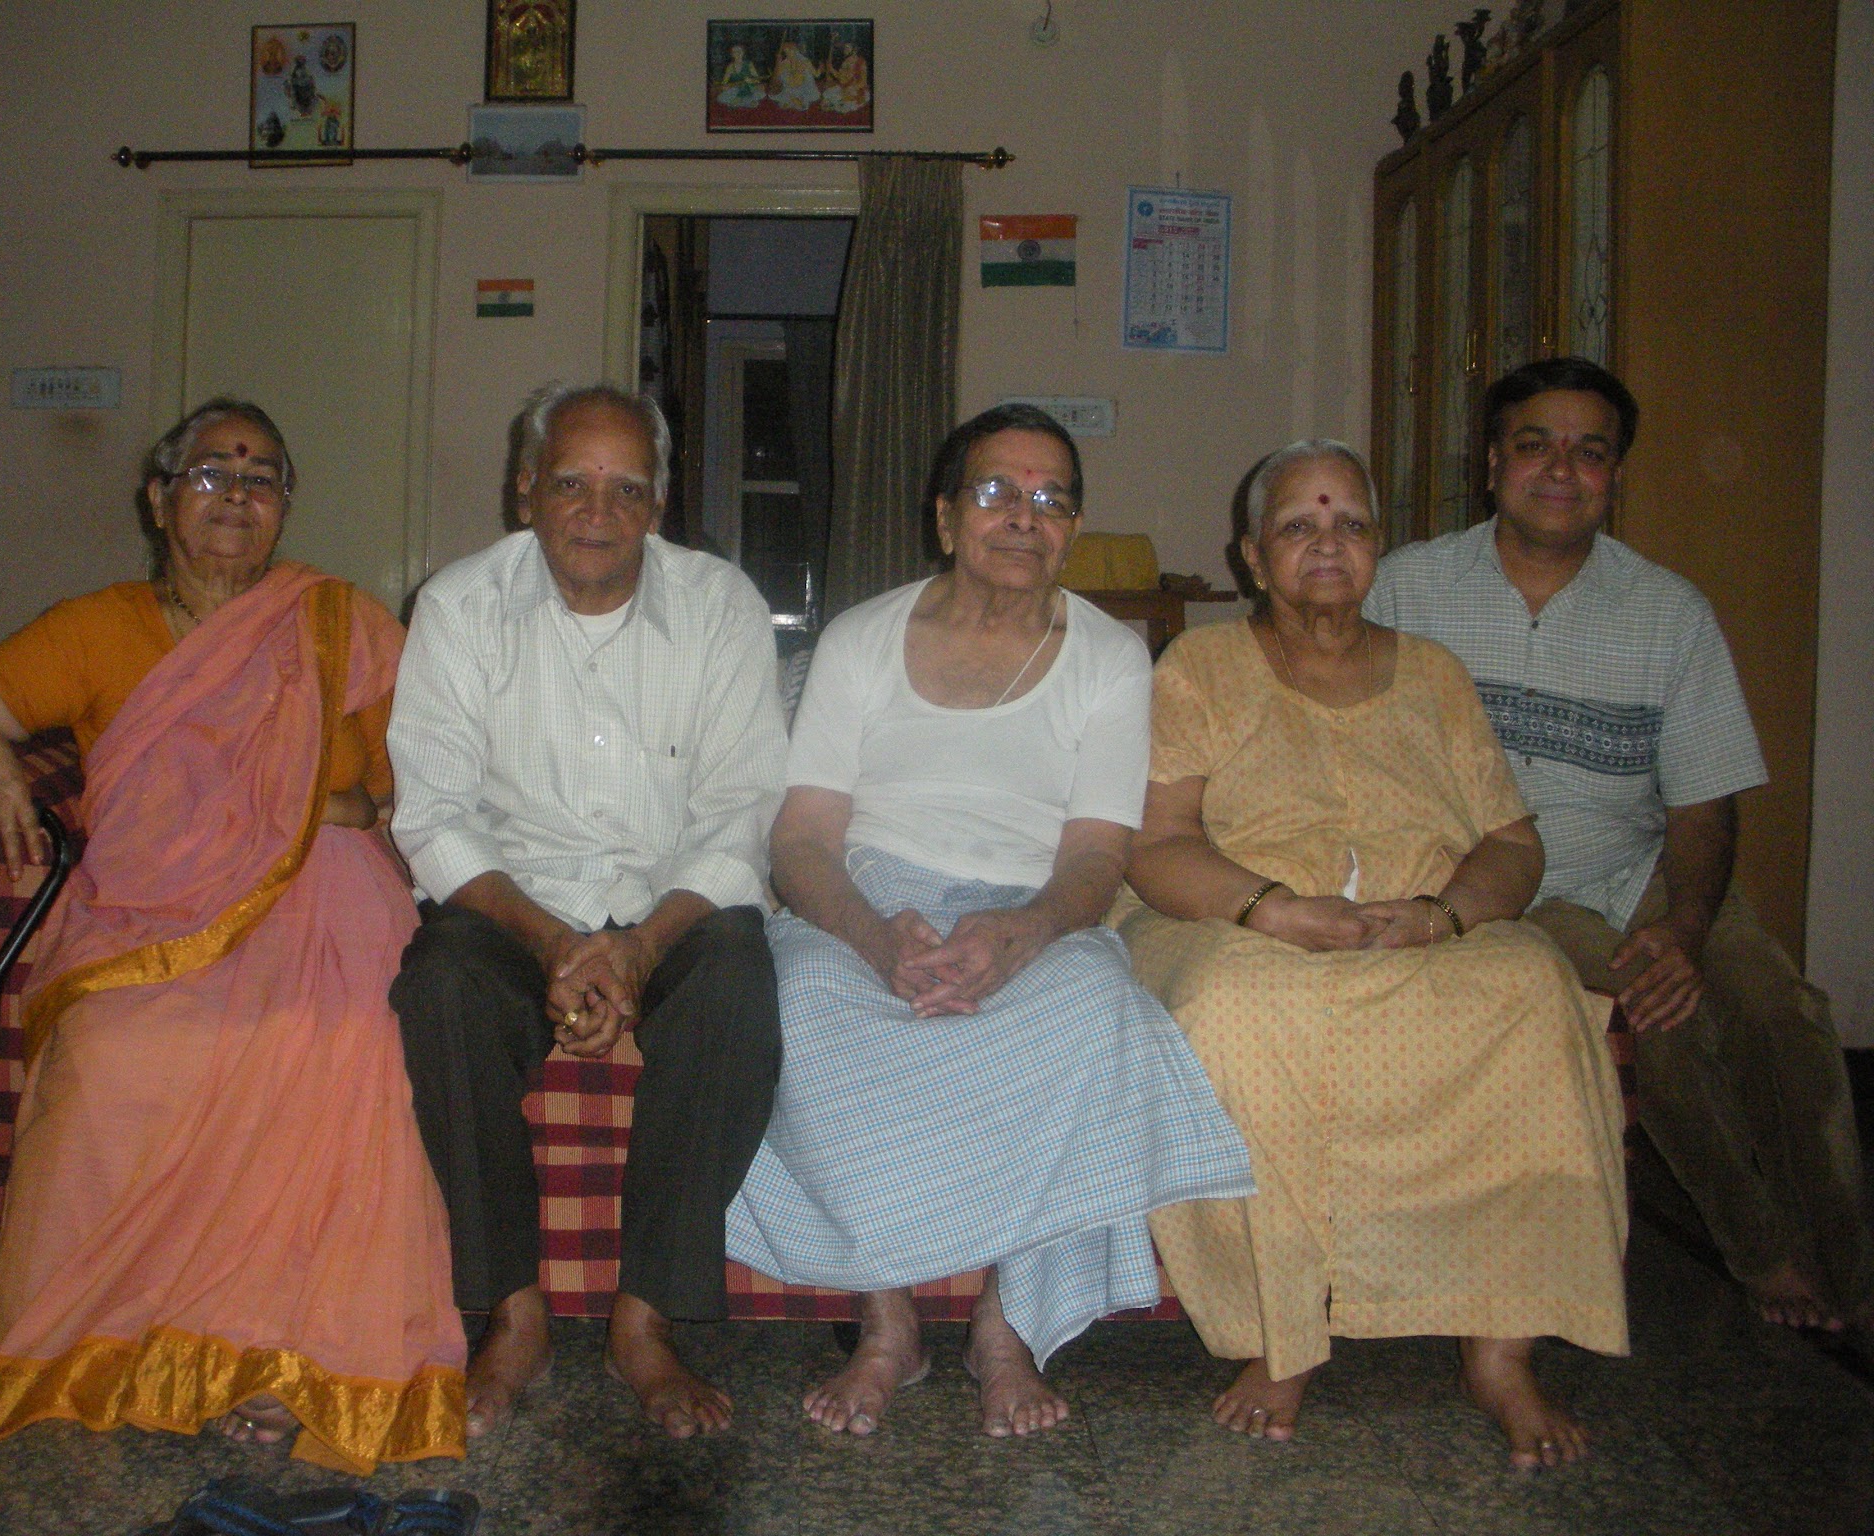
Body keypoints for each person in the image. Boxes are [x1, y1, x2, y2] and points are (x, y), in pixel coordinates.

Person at [0, 399, 464, 1473]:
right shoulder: (94, 627)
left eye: (261, 477)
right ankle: (125, 1349)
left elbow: (428, 784)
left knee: (352, 1043)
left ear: (284, 505)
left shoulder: (337, 620)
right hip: (151, 911)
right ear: (158, 500)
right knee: (115, 1054)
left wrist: (340, 811)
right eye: (210, 473)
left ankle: (298, 1356)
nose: (236, 496)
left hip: (328, 897)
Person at [726, 404, 1253, 1439]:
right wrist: (875, 938)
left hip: (1030, 907)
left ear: (1073, 527)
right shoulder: (861, 639)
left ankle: (1004, 1330)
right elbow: (803, 840)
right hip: (866, 902)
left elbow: (1096, 854)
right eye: (996, 492)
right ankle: (888, 1326)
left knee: (1093, 1007)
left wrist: (1020, 935)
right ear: (944, 517)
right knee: (794, 999)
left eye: (1051, 499)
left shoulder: (1110, 659)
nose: (1024, 516)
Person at [1115, 439, 1629, 1469]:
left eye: (1349, 523)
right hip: (1231, 921)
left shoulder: (1433, 675)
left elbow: (1512, 842)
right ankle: (1281, 1334)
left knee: (1533, 986)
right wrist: (1269, 910)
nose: (1326, 543)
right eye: (1297, 526)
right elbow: (1156, 843)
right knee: (1235, 1006)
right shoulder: (1199, 668)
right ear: (1253, 558)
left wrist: (1443, 915)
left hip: (1417, 927)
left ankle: (1500, 1348)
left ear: (1377, 548)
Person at [1368, 356, 1874, 1335]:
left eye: (1589, 452)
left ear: (1613, 475)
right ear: (1491, 465)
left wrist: (1687, 924)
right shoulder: (1406, 591)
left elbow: (1702, 806)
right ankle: (1763, 1253)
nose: (1561, 470)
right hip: (1507, 883)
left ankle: (1851, 1270)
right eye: (1534, 445)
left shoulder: (1668, 613)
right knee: (1658, 1017)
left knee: (1783, 1014)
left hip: (1645, 869)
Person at [387, 383, 786, 1441]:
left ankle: (642, 1322)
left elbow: (741, 813)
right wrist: (562, 945)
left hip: (673, 905)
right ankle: (513, 1314)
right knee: (440, 987)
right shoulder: (459, 606)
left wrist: (639, 949)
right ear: (525, 491)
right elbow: (434, 816)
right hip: (513, 905)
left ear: (659, 503)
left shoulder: (719, 606)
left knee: (738, 981)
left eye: (626, 489)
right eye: (571, 483)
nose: (598, 512)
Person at [768, 39, 820, 110]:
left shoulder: (805, 62)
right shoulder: (784, 63)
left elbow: (816, 74)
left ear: (796, 50)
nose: (788, 53)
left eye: (790, 50)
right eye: (786, 51)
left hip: (803, 89)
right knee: (783, 98)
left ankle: (796, 102)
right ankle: (794, 102)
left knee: (799, 101)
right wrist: (778, 63)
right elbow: (775, 78)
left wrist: (821, 67)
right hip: (788, 89)